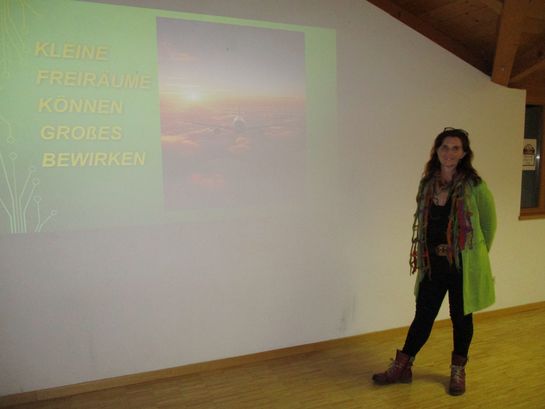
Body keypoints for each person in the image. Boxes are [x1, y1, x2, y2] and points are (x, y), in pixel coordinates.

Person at [372, 127, 496, 396]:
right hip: (433, 264)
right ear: (437, 151)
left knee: (461, 319)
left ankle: (458, 371)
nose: (449, 153)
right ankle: (402, 366)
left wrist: (475, 258)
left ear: (464, 153)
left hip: (462, 266)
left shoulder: (475, 186)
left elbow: (489, 225)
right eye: (444, 147)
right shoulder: (427, 184)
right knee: (423, 317)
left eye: (455, 148)